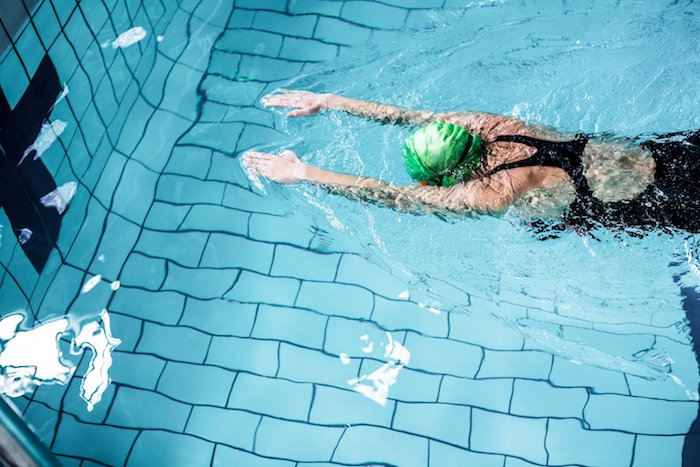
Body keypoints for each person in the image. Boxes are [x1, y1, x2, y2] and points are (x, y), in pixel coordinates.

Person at [242, 89, 700, 233]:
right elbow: (405, 116)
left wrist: (302, 173)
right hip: (658, 153)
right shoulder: (484, 123)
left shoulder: (492, 192)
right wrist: (331, 101)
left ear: (452, 175)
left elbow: (391, 196)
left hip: (652, 203)